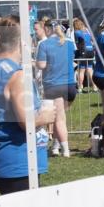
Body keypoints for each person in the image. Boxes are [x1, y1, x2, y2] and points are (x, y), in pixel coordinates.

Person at [0, 23, 54, 194]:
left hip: (0, 158)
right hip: (19, 162)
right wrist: (46, 117)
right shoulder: (17, 75)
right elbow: (26, 123)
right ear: (22, 43)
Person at [35, 20, 76, 157]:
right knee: (61, 117)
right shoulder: (69, 43)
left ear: (47, 29)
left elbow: (41, 65)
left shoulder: (44, 44)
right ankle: (55, 147)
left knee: (59, 120)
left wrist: (34, 62)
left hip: (54, 85)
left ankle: (66, 150)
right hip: (70, 85)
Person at [72, 18, 96, 92]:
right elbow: (91, 41)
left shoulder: (76, 32)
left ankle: (80, 87)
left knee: (81, 71)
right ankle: (95, 87)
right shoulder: (87, 32)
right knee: (90, 70)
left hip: (83, 52)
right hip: (91, 51)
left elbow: (76, 44)